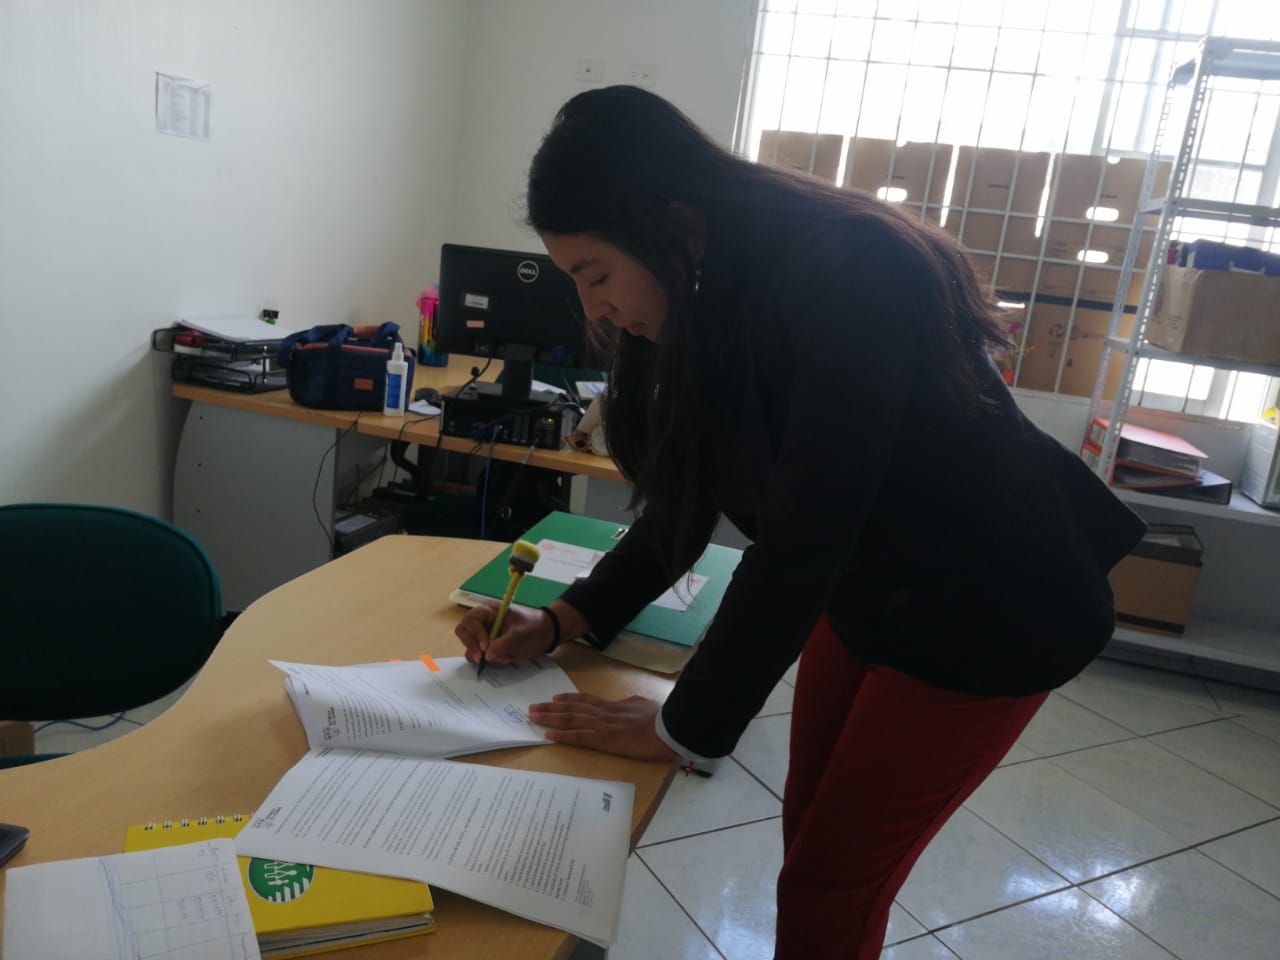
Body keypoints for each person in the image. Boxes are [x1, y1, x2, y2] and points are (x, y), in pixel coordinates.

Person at [455, 85, 1146, 960]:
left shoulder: (850, 268)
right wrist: (561, 618)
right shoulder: (710, 289)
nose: (593, 309)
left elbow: (808, 527)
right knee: (810, 839)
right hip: (868, 592)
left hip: (990, 607)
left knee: (830, 880)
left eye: (595, 275)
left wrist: (680, 724)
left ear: (674, 222)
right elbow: (687, 498)